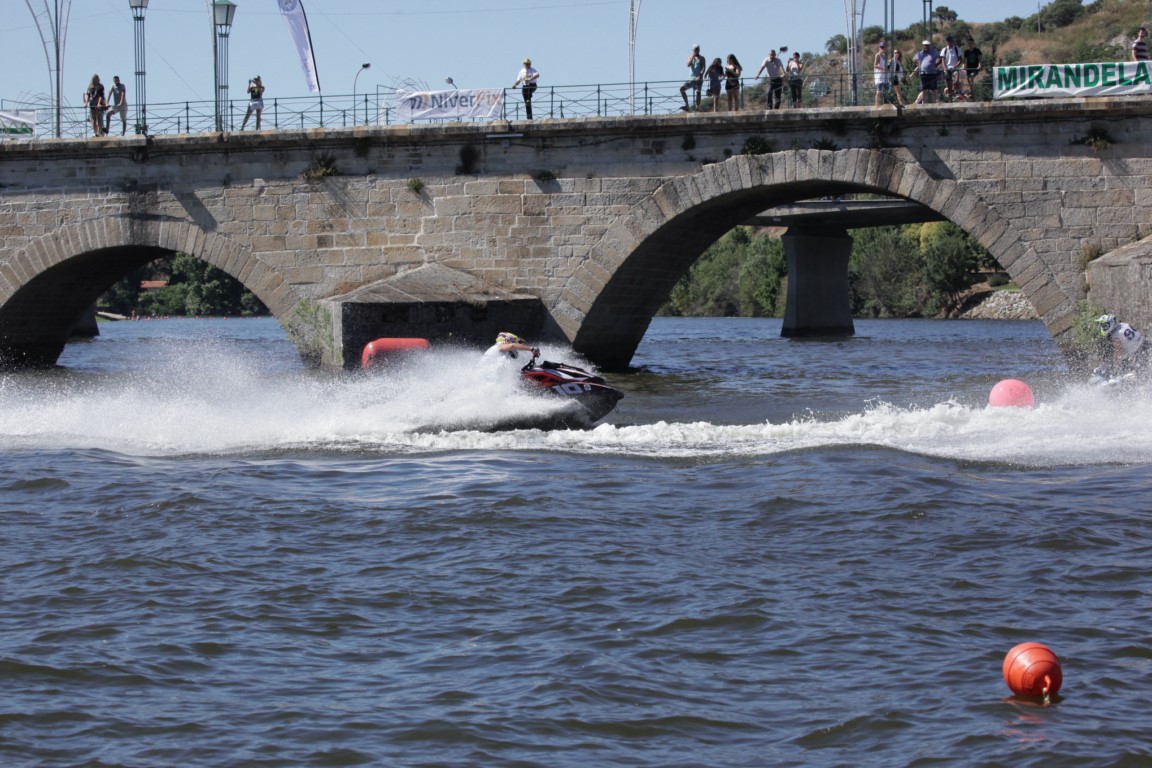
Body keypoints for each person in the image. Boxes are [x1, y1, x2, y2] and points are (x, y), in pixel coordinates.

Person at [913, 40, 940, 105]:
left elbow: (941, 57)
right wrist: (918, 65)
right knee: (924, 89)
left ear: (929, 46)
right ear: (923, 46)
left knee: (934, 89)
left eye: (927, 45)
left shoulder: (933, 52)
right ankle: (924, 103)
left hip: (932, 73)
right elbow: (914, 59)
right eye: (925, 45)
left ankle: (937, 102)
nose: (926, 47)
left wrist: (937, 64)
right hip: (923, 73)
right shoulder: (920, 53)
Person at [680, 45, 705, 111]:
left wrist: (700, 76)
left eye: (697, 49)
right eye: (695, 49)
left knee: (698, 92)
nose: (696, 50)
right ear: (693, 50)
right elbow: (688, 65)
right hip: (691, 78)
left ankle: (698, 106)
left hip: (698, 78)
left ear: (699, 50)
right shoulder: (690, 57)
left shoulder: (702, 58)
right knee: (682, 89)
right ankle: (687, 105)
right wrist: (692, 57)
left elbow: (703, 68)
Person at [941, 35, 963, 99]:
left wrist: (956, 66)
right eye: (948, 41)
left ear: (952, 41)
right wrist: (945, 69)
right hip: (947, 69)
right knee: (949, 84)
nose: (950, 43)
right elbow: (943, 60)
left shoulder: (957, 49)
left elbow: (960, 60)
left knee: (956, 81)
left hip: (955, 68)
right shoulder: (944, 50)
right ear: (947, 42)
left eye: (950, 41)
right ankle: (950, 98)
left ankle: (956, 93)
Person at [873, 42, 889, 107]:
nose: (882, 48)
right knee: (879, 91)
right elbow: (875, 66)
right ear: (879, 48)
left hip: (884, 76)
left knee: (885, 91)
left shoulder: (884, 56)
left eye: (883, 47)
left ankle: (884, 104)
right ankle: (876, 105)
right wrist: (883, 69)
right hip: (879, 76)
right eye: (881, 47)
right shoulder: (878, 55)